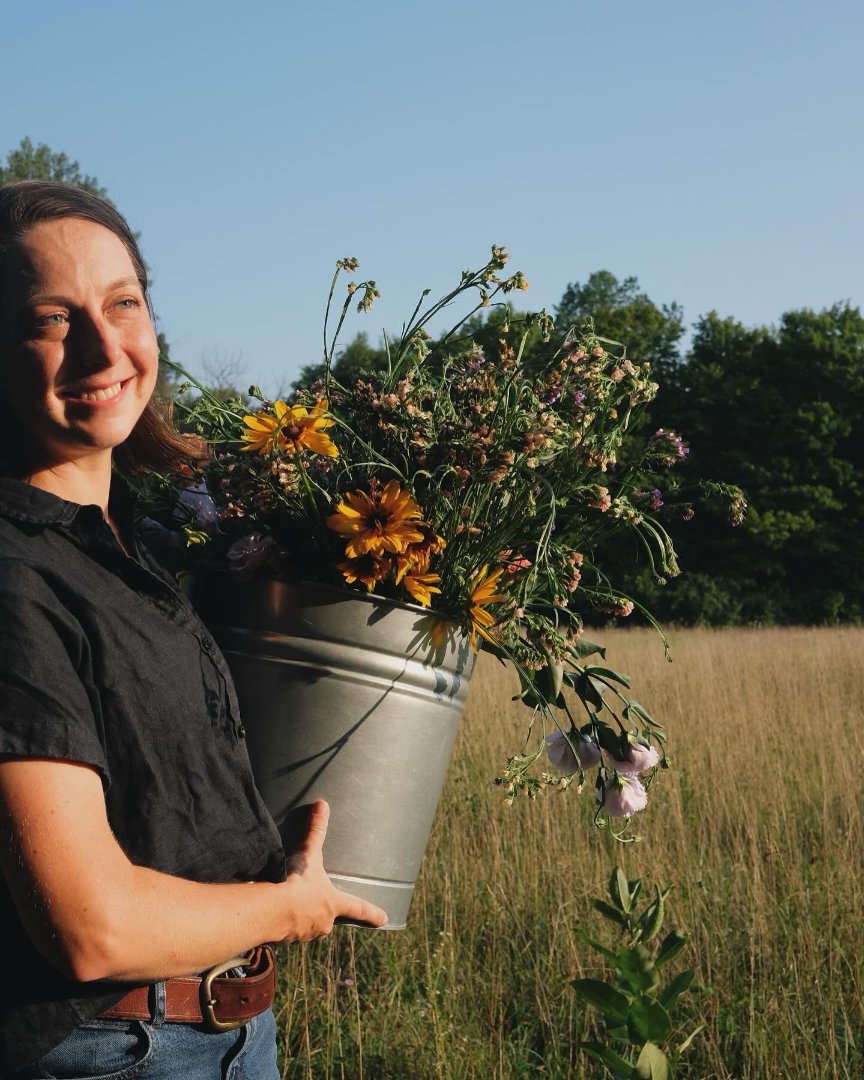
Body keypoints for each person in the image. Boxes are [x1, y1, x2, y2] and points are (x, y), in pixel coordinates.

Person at [0, 180, 387, 1078]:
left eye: (123, 303)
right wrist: (290, 908)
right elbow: (92, 930)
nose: (103, 347)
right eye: (50, 320)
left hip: (221, 1033)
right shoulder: (15, 576)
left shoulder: (125, 547)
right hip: (113, 1051)